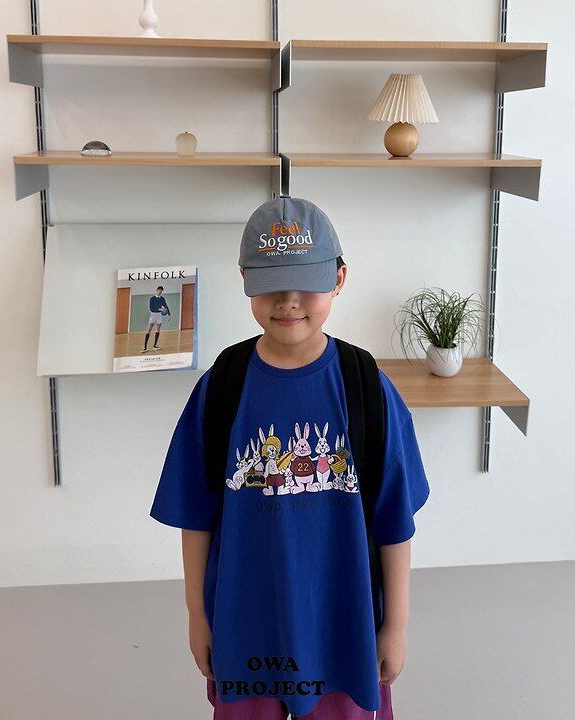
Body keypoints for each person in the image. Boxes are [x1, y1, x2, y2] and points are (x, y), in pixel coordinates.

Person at [150, 196, 430, 720]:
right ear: (244, 279)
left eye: (306, 283)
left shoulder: (367, 388)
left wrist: (396, 625)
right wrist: (197, 614)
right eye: (271, 284)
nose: (288, 301)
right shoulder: (222, 387)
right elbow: (196, 517)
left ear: (339, 279)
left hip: (342, 627)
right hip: (246, 624)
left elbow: (395, 521)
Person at [141, 285, 170, 352]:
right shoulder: (152, 299)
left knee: (158, 330)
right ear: (157, 290)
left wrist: (169, 314)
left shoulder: (162, 299)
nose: (160, 292)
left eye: (161, 291)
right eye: (159, 290)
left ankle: (155, 345)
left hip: (159, 315)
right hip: (153, 315)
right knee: (149, 330)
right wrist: (160, 309)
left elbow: (166, 306)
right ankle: (145, 347)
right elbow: (152, 308)